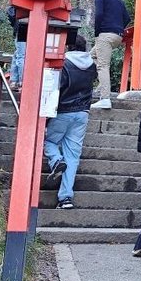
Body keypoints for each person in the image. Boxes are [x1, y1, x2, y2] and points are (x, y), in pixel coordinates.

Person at [44, 35, 98, 210]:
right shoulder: (92, 66)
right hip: (82, 113)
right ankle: (65, 198)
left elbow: (56, 88)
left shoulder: (64, 64)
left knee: (49, 141)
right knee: (73, 156)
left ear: (68, 47)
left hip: (63, 111)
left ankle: (56, 160)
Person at [91, 0, 130, 110]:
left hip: (105, 35)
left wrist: (97, 32)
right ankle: (101, 87)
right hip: (117, 36)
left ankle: (105, 98)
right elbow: (127, 17)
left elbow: (99, 14)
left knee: (102, 65)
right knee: (91, 56)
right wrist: (117, 28)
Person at [6, 5, 27, 88]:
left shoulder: (18, 5)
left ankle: (14, 80)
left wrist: (14, 24)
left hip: (20, 29)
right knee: (21, 56)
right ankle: (21, 80)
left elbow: (10, 11)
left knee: (18, 55)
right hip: (25, 28)